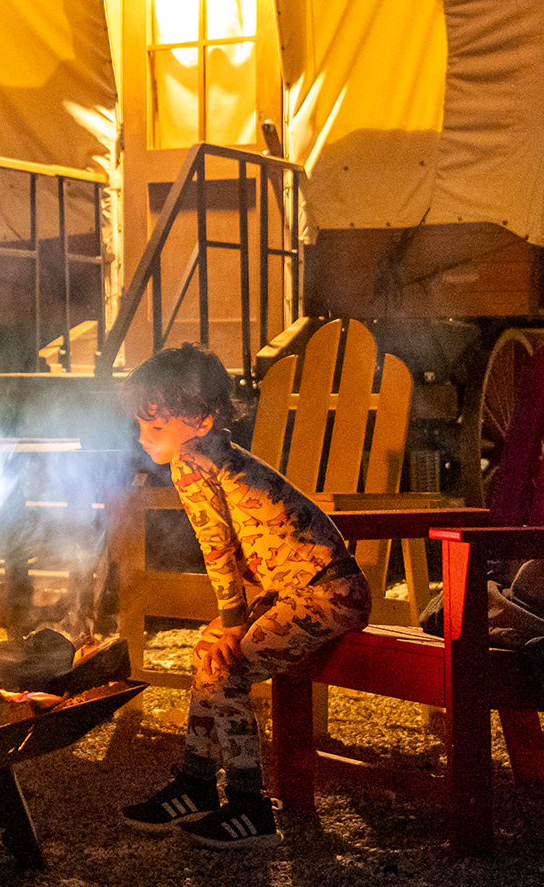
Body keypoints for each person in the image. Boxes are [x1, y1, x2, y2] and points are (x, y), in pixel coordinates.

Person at [119, 344, 370, 849]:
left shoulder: (192, 465)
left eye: (157, 427)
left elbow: (217, 551)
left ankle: (250, 809)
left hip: (325, 593)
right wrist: (228, 623)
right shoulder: (215, 453)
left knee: (226, 665)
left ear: (200, 420)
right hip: (302, 589)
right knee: (206, 651)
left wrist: (234, 622)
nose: (145, 439)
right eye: (141, 426)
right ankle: (195, 785)